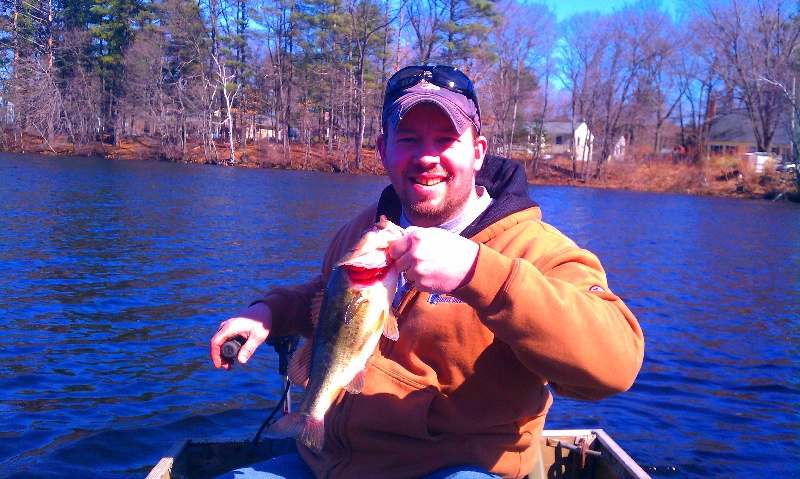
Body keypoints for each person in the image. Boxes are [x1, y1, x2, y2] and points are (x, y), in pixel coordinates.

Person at [210, 65, 645, 479]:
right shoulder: (364, 231)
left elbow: (616, 363)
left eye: (445, 138)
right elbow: (332, 300)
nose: (426, 157)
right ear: (384, 151)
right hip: (329, 462)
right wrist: (269, 313)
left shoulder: (535, 249)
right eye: (409, 139)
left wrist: (479, 274)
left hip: (454, 467)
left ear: (477, 152)